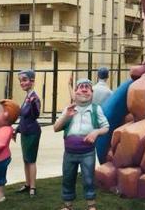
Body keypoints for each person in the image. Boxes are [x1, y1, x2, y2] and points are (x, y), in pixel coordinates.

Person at [54, 79, 110, 210]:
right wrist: (66, 116)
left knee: (88, 179)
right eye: (81, 87)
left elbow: (106, 127)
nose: (84, 90)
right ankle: (68, 205)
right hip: (69, 153)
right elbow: (56, 128)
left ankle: (91, 205)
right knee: (68, 178)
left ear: (92, 92)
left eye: (87, 88)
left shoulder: (96, 109)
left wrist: (96, 132)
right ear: (75, 92)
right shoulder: (69, 109)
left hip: (87, 153)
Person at [14, 69, 40, 197]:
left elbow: (35, 115)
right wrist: (17, 130)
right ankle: (27, 183)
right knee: (26, 159)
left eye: (24, 80)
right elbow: (24, 117)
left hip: (32, 132)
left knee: (31, 159)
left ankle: (33, 187)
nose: (22, 83)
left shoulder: (34, 98)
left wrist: (33, 104)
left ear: (32, 81)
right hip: (24, 132)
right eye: (20, 81)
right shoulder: (28, 97)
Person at [92, 67, 113, 164]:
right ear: (107, 77)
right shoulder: (109, 92)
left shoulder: (92, 89)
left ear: (98, 76)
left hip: (91, 117)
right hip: (102, 118)